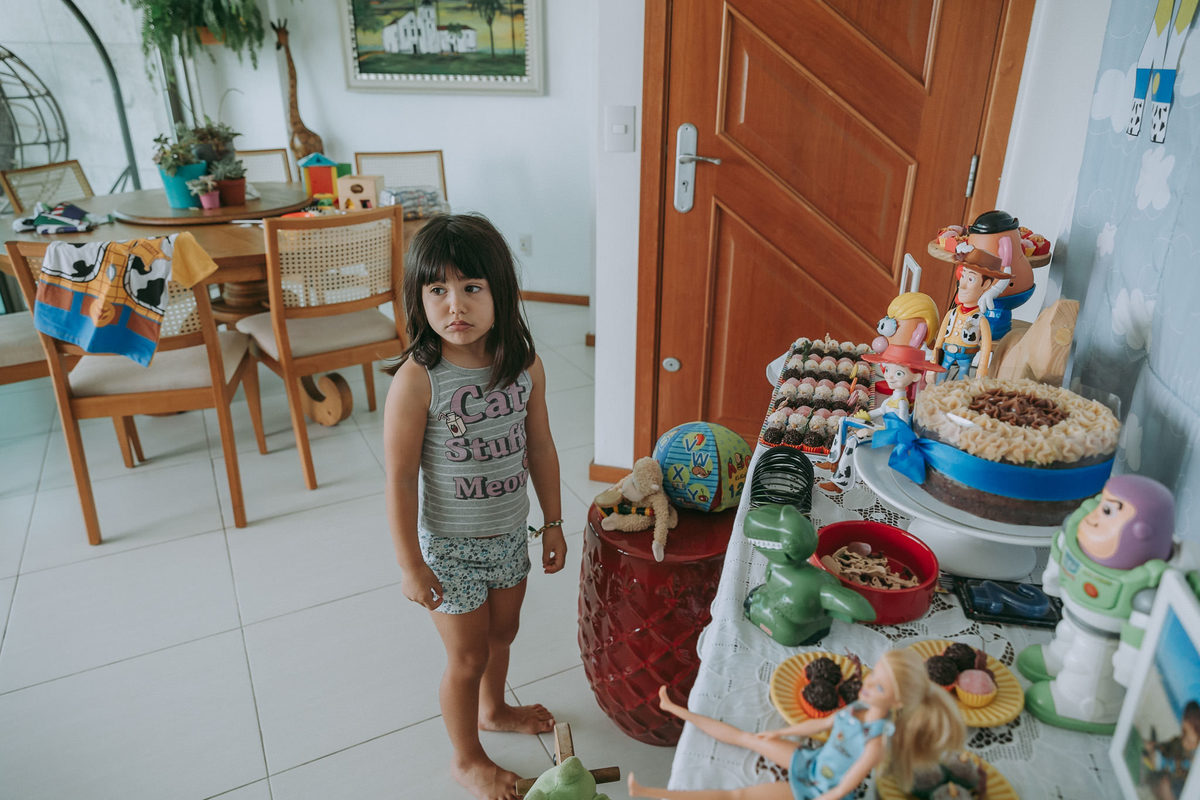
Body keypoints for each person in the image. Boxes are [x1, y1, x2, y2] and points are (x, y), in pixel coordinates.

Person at [383, 213, 568, 800]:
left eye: (471, 288)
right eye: (437, 289)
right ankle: (467, 757)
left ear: (500, 294)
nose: (454, 305)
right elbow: (400, 479)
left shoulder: (523, 367)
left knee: (503, 633)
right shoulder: (419, 379)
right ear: (418, 298)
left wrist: (554, 523)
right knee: (466, 655)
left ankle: (494, 709)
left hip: (510, 533)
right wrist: (411, 563)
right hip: (450, 549)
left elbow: (540, 447)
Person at [627, 649, 965, 800]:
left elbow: (846, 786)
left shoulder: (875, 744)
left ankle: (651, 793)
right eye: (874, 674)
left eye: (879, 686)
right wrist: (782, 732)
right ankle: (674, 708)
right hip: (812, 762)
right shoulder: (860, 706)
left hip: (818, 791)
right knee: (750, 738)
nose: (867, 683)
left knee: (738, 795)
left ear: (897, 703)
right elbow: (819, 726)